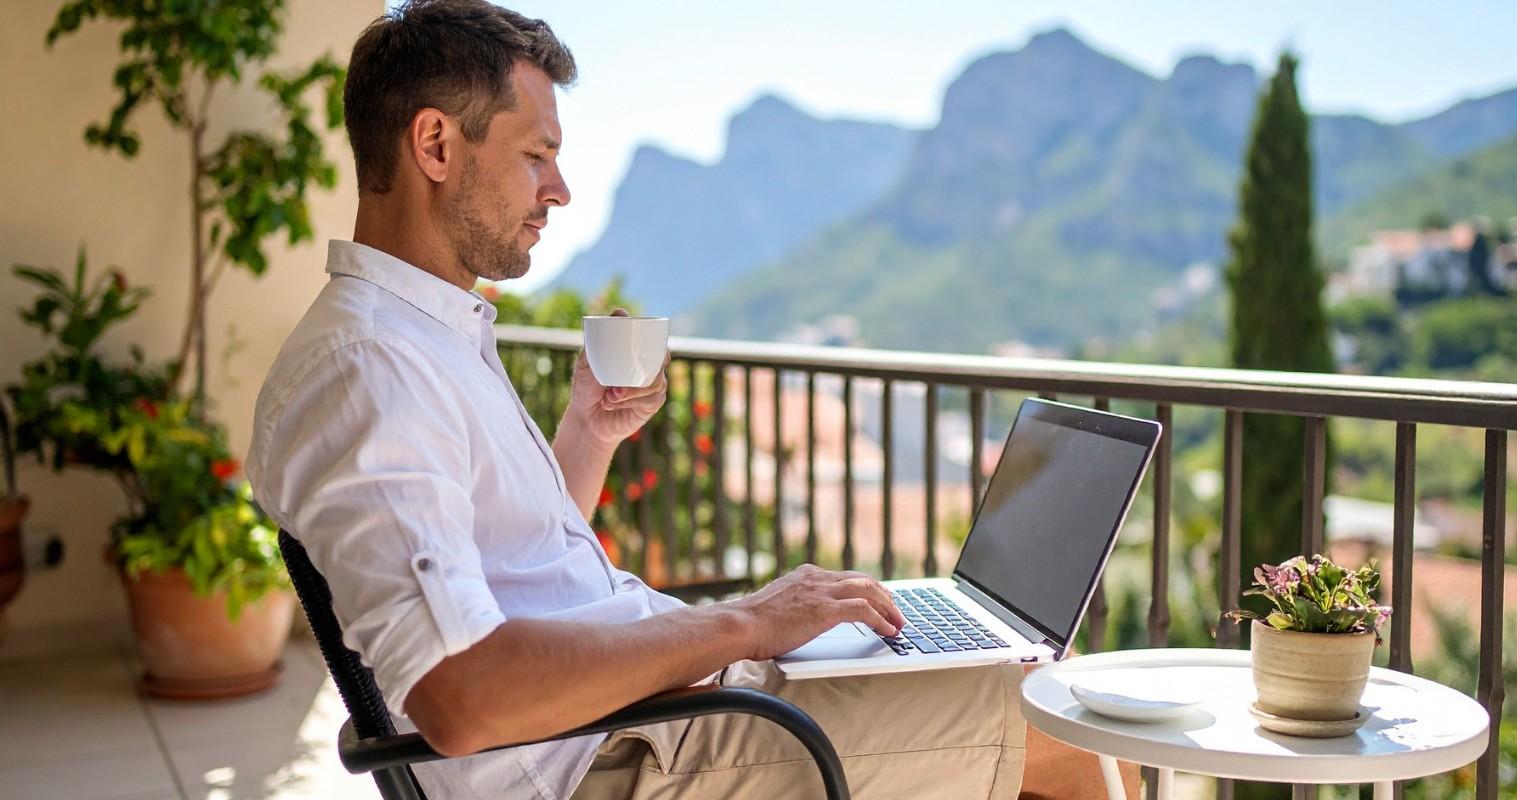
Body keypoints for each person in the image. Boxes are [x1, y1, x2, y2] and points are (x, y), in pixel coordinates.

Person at [246, 2, 1035, 797]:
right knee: (1043, 716)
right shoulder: (370, 370)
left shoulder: (423, 335)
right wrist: (748, 622)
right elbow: (464, 695)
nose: (559, 189)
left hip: (638, 719)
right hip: (609, 761)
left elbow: (520, 565)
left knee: (1007, 669)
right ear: (436, 145)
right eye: (536, 155)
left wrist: (587, 435)